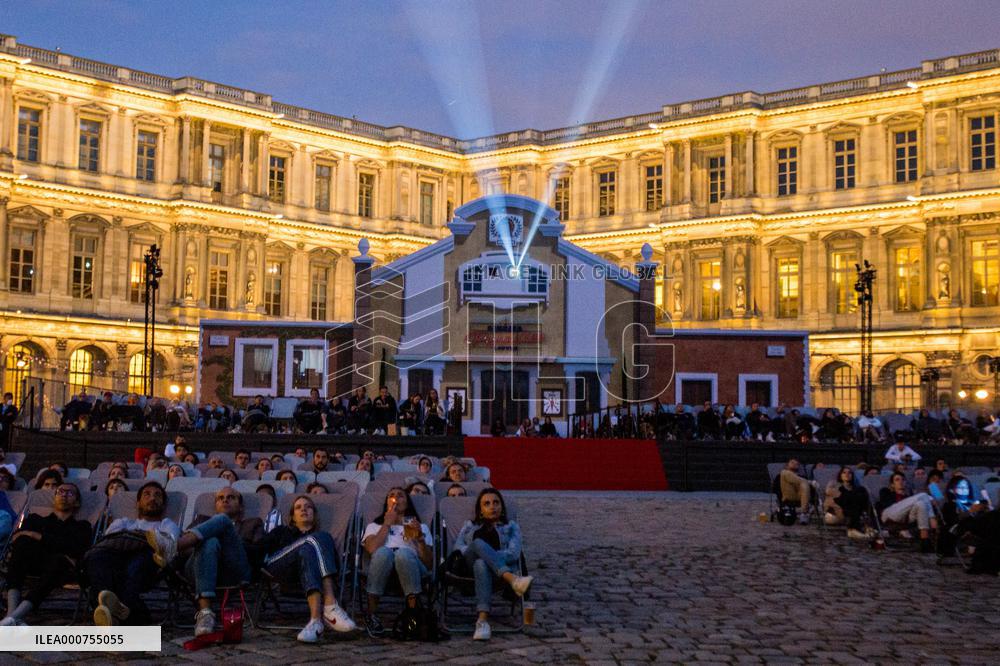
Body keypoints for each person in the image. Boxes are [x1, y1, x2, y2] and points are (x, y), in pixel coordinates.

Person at [259, 495, 356, 641]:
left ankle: (315, 621)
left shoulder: (325, 541)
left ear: (314, 515)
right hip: (279, 567)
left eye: (308, 506)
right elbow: (261, 547)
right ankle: (330, 605)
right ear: (292, 517)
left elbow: (334, 563)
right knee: (314, 539)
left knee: (308, 549)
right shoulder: (282, 531)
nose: (303, 509)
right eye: (298, 507)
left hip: (308, 574)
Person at [85, 481, 180, 625]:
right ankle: (126, 616)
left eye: (157, 495)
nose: (152, 498)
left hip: (145, 560)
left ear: (163, 504)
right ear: (138, 503)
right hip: (115, 558)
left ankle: (108, 613)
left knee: (137, 564)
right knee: (96, 557)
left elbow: (169, 545)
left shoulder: (166, 524)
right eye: (147, 494)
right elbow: (108, 541)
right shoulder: (123, 522)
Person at [175, 487, 264, 636]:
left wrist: (229, 540)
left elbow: (258, 550)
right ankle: (205, 613)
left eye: (231, 497)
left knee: (222, 522)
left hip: (234, 569)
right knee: (210, 541)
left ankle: (173, 545)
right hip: (199, 568)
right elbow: (185, 552)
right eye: (220, 498)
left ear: (240, 506)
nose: (225, 499)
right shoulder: (201, 520)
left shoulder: (253, 523)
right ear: (215, 505)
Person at [1, 482, 92, 626]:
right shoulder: (35, 519)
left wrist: (37, 536)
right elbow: (17, 538)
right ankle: (12, 615)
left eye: (70, 493)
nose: (64, 495)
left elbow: (77, 549)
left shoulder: (82, 526)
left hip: (60, 569)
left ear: (77, 502)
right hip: (32, 562)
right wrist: (56, 544)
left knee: (60, 560)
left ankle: (13, 618)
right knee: (23, 544)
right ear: (54, 497)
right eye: (60, 491)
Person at [451, 488, 533, 641]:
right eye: (486, 503)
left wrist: (488, 556)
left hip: (489, 571)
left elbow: (514, 553)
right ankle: (513, 580)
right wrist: (479, 549)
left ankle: (482, 621)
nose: (492, 506)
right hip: (468, 568)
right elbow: (458, 548)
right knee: (477, 544)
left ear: (502, 507)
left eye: (496, 502)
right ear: (480, 510)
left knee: (481, 563)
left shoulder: (511, 526)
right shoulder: (469, 525)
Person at [361, 487, 433, 637]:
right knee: (383, 552)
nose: (395, 498)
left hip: (412, 568)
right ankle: (372, 615)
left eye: (400, 496)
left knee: (403, 553)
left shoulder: (419, 526)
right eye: (391, 496)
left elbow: (428, 565)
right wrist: (387, 524)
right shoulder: (374, 526)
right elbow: (373, 548)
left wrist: (420, 540)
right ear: (387, 503)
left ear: (407, 503)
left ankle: (413, 614)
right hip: (382, 567)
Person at [876, 472, 937, 553]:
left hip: (905, 518)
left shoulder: (910, 497)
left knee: (921, 504)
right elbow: (885, 504)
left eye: (903, 480)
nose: (900, 482)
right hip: (889, 514)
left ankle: (925, 541)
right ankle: (932, 519)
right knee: (923, 495)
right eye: (897, 480)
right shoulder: (886, 492)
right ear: (892, 485)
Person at [823, 466, 871, 538]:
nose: (847, 474)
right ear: (840, 475)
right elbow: (829, 492)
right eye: (844, 472)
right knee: (852, 497)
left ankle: (857, 529)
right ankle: (853, 530)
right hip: (834, 512)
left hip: (850, 512)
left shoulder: (856, 488)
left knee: (861, 491)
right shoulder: (835, 484)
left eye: (849, 473)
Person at [778, 459, 815, 525]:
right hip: (788, 495)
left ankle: (804, 513)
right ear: (787, 465)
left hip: (801, 497)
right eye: (792, 462)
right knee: (786, 473)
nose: (794, 464)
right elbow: (776, 488)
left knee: (804, 484)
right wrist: (809, 482)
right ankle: (804, 513)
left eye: (797, 464)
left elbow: (810, 490)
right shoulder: (782, 474)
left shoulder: (803, 477)